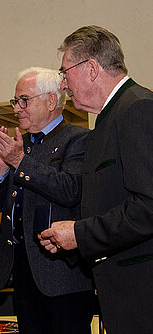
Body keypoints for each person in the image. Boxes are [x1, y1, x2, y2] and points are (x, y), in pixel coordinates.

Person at [40, 25, 153, 333]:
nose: (63, 84)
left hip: (141, 295)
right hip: (122, 294)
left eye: (65, 73)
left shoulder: (138, 108)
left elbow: (148, 206)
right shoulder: (109, 118)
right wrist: (72, 238)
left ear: (90, 68)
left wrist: (81, 233)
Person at [0, 67, 95, 334]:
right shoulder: (22, 145)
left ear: (51, 101)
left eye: (24, 100)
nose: (17, 108)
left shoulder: (78, 139)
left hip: (63, 276)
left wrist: (19, 161)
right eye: (15, 101)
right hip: (23, 271)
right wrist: (0, 169)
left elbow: (70, 190)